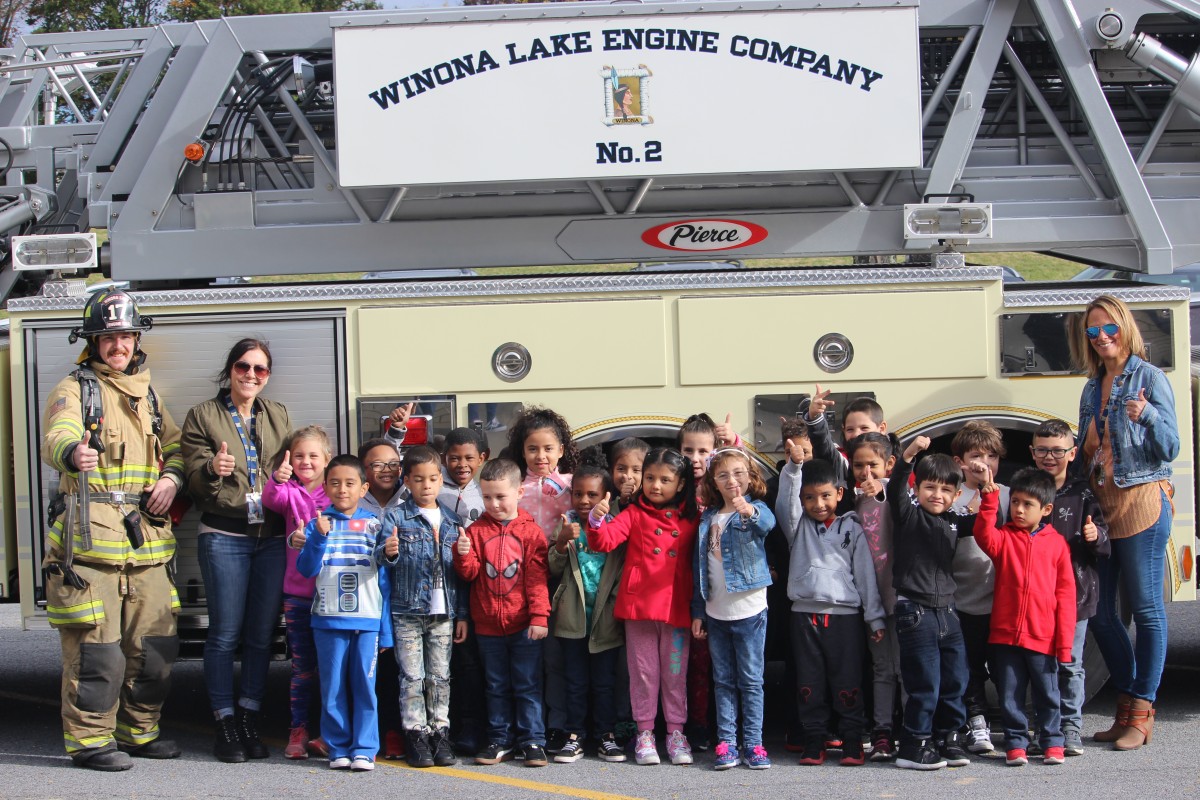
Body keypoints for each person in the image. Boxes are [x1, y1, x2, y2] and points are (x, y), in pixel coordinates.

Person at [41, 289, 184, 771]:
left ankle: (140, 733)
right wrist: (71, 453)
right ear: (93, 342)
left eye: (125, 335)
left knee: (155, 648)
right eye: (108, 337)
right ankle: (90, 743)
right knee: (96, 655)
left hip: (146, 547)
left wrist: (172, 476)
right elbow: (57, 435)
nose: (117, 344)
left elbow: (177, 447)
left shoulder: (149, 394)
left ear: (136, 338)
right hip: (90, 547)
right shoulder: (74, 389)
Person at [1070, 295, 1179, 750]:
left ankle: (1140, 710)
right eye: (1093, 332)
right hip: (1104, 506)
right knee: (1100, 613)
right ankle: (1131, 703)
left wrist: (1147, 414)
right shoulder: (1093, 388)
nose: (1102, 338)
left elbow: (1170, 447)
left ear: (1125, 327)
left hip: (1142, 502)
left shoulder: (1149, 378)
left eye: (1108, 327)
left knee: (1147, 609)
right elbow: (1083, 456)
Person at [181, 338, 291, 762]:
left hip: (271, 538)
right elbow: (192, 479)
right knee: (224, 634)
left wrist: (288, 472)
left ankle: (249, 717)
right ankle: (224, 722)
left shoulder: (277, 414)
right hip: (224, 536)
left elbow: (296, 467)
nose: (251, 375)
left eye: (260, 369)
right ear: (230, 370)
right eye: (243, 366)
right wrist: (212, 469)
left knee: (261, 637)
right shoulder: (203, 415)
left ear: (267, 376)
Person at [587, 447, 700, 766]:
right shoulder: (634, 512)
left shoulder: (693, 515)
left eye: (665, 479)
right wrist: (596, 520)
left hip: (676, 607)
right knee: (644, 674)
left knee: (675, 674)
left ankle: (676, 732)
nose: (655, 485)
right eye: (649, 477)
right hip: (639, 608)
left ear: (680, 484)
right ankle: (646, 733)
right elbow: (605, 541)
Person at [971, 466, 1076, 767]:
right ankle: (1016, 743)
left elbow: (1066, 597)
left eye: (1027, 504)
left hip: (1043, 637)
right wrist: (990, 498)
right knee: (1011, 694)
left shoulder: (1057, 544)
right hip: (1005, 636)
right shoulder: (1004, 539)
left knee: (1047, 693)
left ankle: (1052, 741)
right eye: (1014, 502)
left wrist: (1064, 644)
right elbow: (982, 534)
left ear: (1046, 509)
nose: (1018, 509)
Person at [784, 459, 885, 767]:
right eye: (809, 497)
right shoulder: (797, 527)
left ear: (840, 494)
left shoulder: (852, 528)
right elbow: (786, 501)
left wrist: (874, 617)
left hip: (845, 617)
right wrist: (793, 468)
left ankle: (852, 739)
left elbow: (865, 575)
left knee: (847, 680)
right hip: (804, 616)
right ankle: (814, 739)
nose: (818, 504)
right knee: (809, 681)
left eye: (826, 495)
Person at [453, 459, 552, 767]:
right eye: (486, 497)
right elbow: (469, 576)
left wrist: (539, 616)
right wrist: (463, 554)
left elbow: (537, 580)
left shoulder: (532, 533)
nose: (493, 504)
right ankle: (499, 738)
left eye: (500, 497)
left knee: (528, 685)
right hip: (488, 627)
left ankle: (533, 740)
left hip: (524, 625)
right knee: (495, 685)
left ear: (519, 492)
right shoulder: (476, 531)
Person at [296, 455, 392, 771]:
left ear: (363, 487)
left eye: (350, 483)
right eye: (334, 483)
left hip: (366, 621)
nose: (342, 489)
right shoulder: (317, 524)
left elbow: (384, 581)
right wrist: (318, 537)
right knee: (333, 686)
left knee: (365, 686)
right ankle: (337, 746)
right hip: (327, 620)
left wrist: (385, 630)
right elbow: (307, 569)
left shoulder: (376, 525)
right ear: (325, 486)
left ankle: (365, 748)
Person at [886, 437, 975, 771]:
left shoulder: (954, 520)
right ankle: (914, 744)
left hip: (948, 612)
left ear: (955, 495)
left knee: (955, 680)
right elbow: (897, 489)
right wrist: (908, 456)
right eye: (929, 487)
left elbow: (983, 522)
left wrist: (988, 487)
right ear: (917, 488)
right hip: (916, 612)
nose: (936, 495)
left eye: (945, 490)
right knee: (924, 682)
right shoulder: (908, 515)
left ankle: (948, 737)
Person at [379, 445, 468, 768]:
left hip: (444, 613)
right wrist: (388, 552)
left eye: (433, 479)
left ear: (440, 480)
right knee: (412, 676)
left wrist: (463, 616)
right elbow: (380, 561)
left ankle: (440, 733)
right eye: (418, 479)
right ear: (407, 481)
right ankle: (415, 734)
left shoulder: (451, 519)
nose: (427, 485)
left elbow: (461, 575)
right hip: (407, 612)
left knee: (440, 676)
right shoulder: (395, 518)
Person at [690, 448, 776, 770]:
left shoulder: (755, 508)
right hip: (716, 612)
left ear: (750, 476)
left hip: (750, 611)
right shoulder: (708, 518)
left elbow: (767, 524)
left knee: (751, 680)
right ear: (714, 480)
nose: (732, 480)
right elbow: (701, 568)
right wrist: (698, 611)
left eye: (739, 473)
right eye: (723, 474)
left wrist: (748, 511)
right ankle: (726, 742)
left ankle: (753, 744)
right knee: (723, 680)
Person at [1029, 418, 1110, 756]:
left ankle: (1071, 727)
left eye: (1058, 451)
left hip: (1075, 596)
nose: (1050, 457)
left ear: (1073, 452)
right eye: (1043, 450)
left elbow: (1105, 542)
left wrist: (1095, 537)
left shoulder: (1083, 493)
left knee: (1070, 663)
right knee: (1038, 664)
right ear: (1032, 453)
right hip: (1034, 597)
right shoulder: (1026, 490)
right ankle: (1043, 728)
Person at [500, 406, 576, 755]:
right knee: (530, 659)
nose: (541, 456)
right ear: (522, 450)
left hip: (564, 579)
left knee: (557, 657)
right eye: (533, 449)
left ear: (561, 449)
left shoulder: (573, 485)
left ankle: (559, 725)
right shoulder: (516, 487)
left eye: (548, 448)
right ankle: (530, 729)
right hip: (523, 580)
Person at [548, 450, 626, 763]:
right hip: (572, 621)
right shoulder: (566, 526)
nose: (583, 500)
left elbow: (621, 570)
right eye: (577, 494)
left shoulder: (615, 528)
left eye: (592, 495)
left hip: (605, 620)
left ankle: (606, 735)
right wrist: (561, 543)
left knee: (605, 683)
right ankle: (574, 735)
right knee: (575, 682)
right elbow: (553, 569)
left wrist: (617, 605)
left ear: (606, 496)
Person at [262, 426, 331, 760]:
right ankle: (298, 729)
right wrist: (278, 477)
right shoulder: (289, 491)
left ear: (327, 460)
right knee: (303, 668)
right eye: (299, 455)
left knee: (332, 667)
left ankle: (330, 732)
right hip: (298, 594)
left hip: (332, 596)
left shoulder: (337, 493)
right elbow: (270, 500)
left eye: (313, 456)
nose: (306, 462)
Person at [677, 412, 739, 753]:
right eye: (688, 451)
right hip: (685, 586)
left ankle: (724, 725)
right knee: (692, 662)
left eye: (703, 451)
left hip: (718, 587)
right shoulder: (675, 486)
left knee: (722, 661)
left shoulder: (721, 484)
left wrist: (735, 442)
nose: (696, 459)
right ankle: (696, 724)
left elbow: (748, 479)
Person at [949, 420, 1009, 755]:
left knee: (1002, 667)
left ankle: (1015, 724)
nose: (984, 463)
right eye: (976, 456)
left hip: (999, 599)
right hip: (962, 600)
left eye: (991, 456)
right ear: (960, 461)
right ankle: (976, 723)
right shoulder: (953, 495)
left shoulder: (1009, 495)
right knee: (968, 668)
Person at [845, 432, 901, 761]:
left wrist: (884, 488)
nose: (866, 473)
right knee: (881, 667)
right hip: (870, 602)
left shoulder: (893, 494)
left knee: (904, 667)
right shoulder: (852, 501)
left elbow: (899, 493)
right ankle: (882, 731)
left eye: (874, 466)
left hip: (899, 597)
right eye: (859, 466)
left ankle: (910, 728)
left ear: (889, 465)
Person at [437, 427, 489, 755]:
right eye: (454, 457)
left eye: (469, 457)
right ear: (444, 459)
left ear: (482, 459)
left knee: (472, 663)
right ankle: (449, 726)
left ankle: (473, 726)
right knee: (445, 664)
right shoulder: (433, 487)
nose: (461, 464)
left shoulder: (486, 492)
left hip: (477, 584)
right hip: (442, 585)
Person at [357, 436, 406, 759]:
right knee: (367, 669)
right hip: (365, 599)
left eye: (392, 464)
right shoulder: (355, 503)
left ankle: (394, 731)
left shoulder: (411, 497)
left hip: (402, 598)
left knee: (396, 668)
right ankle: (364, 732)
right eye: (377, 464)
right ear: (364, 470)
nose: (386, 470)